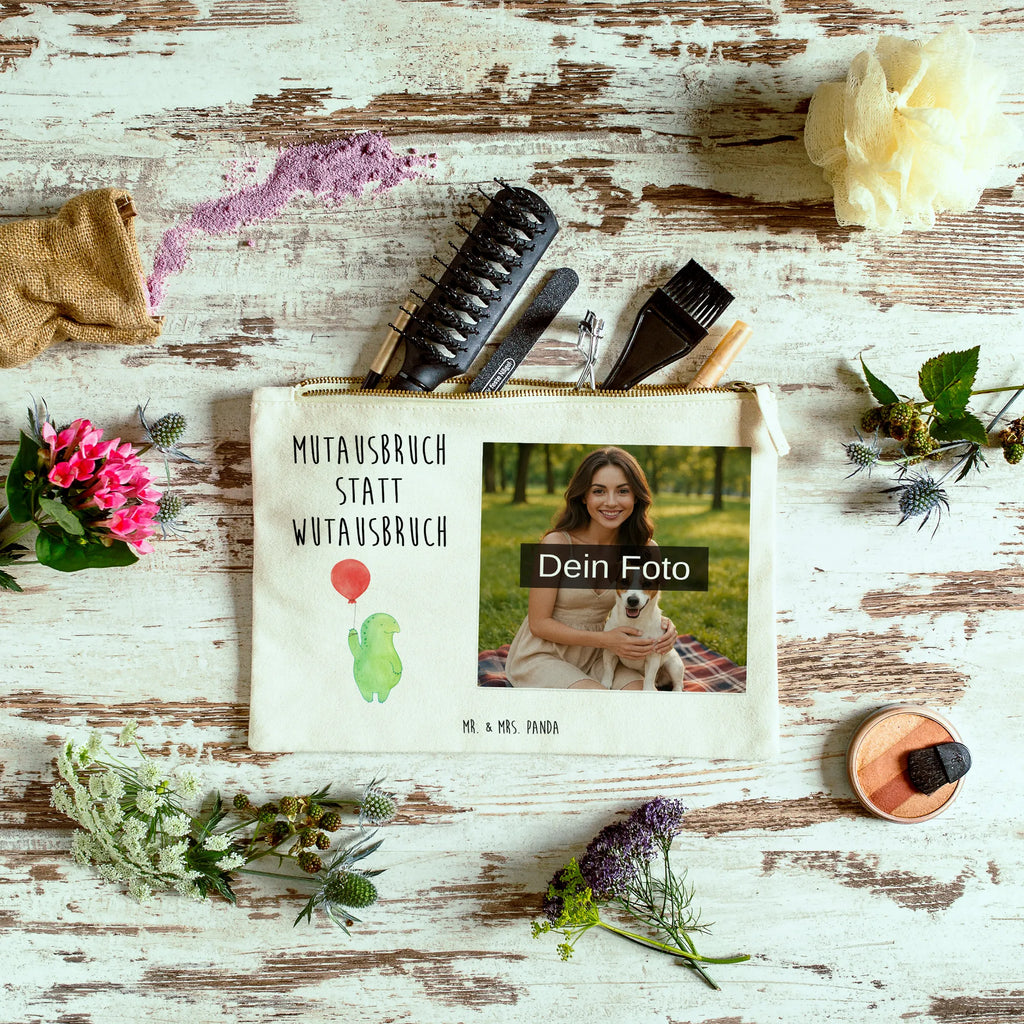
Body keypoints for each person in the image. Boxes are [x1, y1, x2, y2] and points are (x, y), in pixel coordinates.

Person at [505, 446, 677, 690]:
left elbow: (642, 602)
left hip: (604, 656)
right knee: (595, 701)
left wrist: (665, 628)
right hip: (546, 653)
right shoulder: (556, 544)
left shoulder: (647, 549)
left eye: (622, 491)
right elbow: (539, 623)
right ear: (583, 495)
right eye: (599, 491)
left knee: (640, 700)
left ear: (636, 496)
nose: (611, 502)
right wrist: (606, 640)